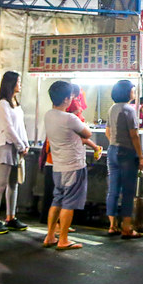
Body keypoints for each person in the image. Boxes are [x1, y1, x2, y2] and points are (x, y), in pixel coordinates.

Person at [43, 80, 94, 250]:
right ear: (66, 99)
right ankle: (63, 239)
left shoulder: (48, 115)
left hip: (57, 165)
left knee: (57, 200)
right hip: (73, 165)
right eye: (71, 96)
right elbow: (87, 133)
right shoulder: (69, 118)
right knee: (69, 203)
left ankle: (50, 236)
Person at [0, 71, 30, 235]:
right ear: (10, 83)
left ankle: (11, 217)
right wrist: (21, 145)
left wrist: (25, 144)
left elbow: (20, 126)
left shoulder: (15, 103)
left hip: (15, 147)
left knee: (13, 184)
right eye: (18, 82)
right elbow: (8, 128)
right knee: (0, 184)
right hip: (5, 146)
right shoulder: (3, 104)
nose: (20, 84)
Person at [105, 79, 143, 238]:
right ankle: (127, 228)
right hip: (127, 153)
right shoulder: (129, 110)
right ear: (127, 92)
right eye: (132, 89)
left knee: (113, 189)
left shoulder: (112, 109)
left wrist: (115, 143)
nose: (134, 92)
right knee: (128, 190)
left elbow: (108, 132)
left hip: (112, 151)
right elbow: (134, 135)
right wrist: (140, 157)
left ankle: (112, 225)